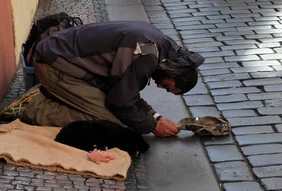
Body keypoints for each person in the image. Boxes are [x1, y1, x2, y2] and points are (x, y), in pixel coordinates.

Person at [20, 21, 205, 138]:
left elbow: (123, 90)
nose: (158, 86)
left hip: (61, 57)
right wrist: (153, 126)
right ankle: (32, 108)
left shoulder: (162, 48)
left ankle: (55, 96)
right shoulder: (146, 54)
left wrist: (156, 117)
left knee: (112, 110)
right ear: (173, 74)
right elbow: (120, 103)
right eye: (166, 86)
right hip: (52, 63)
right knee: (109, 120)